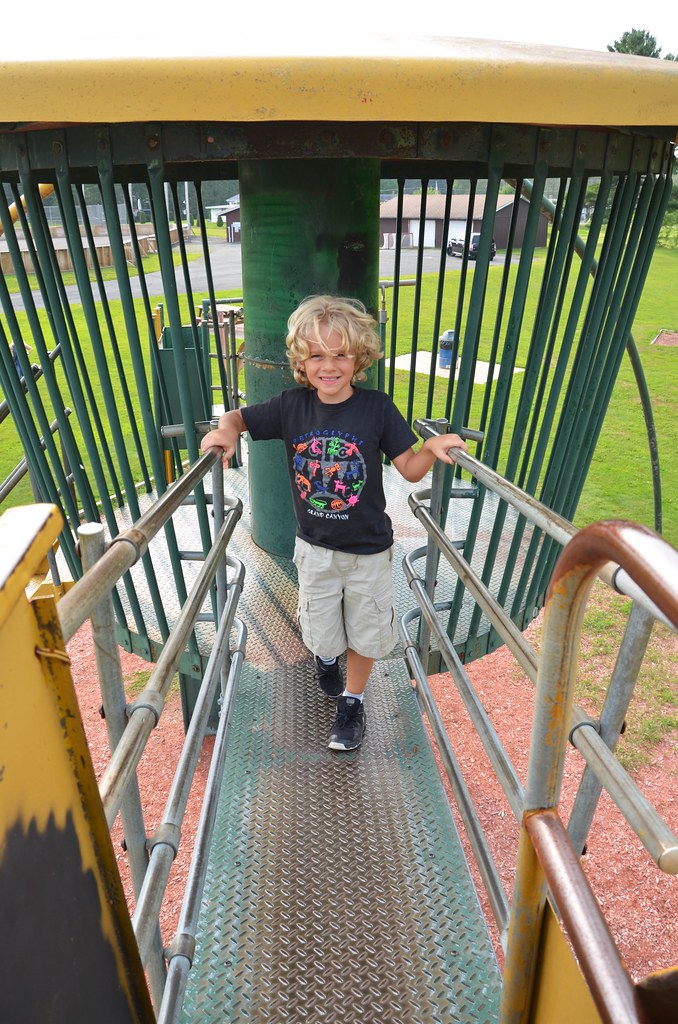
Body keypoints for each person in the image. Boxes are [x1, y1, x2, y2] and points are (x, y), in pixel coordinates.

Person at [201, 294, 467, 752]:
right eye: (316, 356)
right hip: (315, 547)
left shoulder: (376, 408)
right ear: (300, 362)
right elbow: (238, 417)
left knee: (365, 631)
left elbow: (409, 468)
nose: (328, 366)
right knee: (322, 629)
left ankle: (352, 701)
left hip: (368, 549)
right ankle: (326, 658)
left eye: (340, 354)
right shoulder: (291, 406)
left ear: (358, 358)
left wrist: (430, 448)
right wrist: (226, 431)